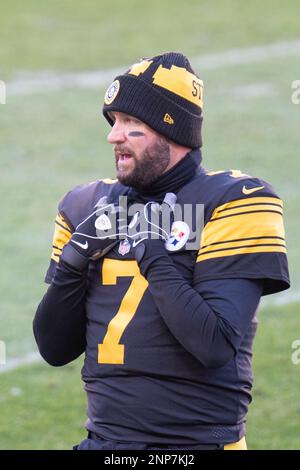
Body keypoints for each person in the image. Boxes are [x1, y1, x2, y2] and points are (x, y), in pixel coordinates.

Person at [33, 52, 290, 451]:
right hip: (105, 444)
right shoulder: (86, 205)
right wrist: (73, 261)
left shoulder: (235, 201)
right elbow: (54, 349)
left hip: (196, 445)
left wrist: (153, 253)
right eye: (113, 120)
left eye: (131, 122)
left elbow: (214, 345)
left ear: (172, 131)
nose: (114, 135)